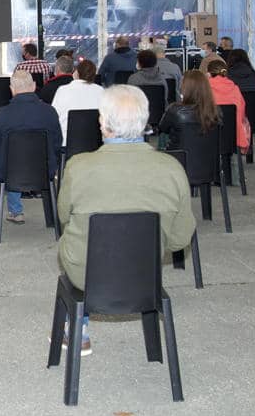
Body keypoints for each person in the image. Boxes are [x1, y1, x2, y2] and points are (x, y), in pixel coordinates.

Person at [56, 86, 196, 354]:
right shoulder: (172, 168)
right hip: (145, 272)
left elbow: (64, 217)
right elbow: (180, 237)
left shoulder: (79, 166)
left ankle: (78, 329)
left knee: (74, 243)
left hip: (86, 273)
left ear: (103, 123)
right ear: (145, 122)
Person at [0, 70, 62, 225]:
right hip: (44, 170)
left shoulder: (2, 114)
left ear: (12, 89)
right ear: (34, 86)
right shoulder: (50, 112)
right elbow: (57, 143)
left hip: (8, 172)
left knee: (7, 156)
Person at [158, 69, 220, 151]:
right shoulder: (215, 111)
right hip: (209, 157)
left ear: (184, 89)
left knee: (163, 135)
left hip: (178, 157)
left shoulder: (174, 110)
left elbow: (162, 128)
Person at [51, 58, 106, 142]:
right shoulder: (101, 91)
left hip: (65, 142)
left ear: (76, 72)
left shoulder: (63, 90)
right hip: (95, 143)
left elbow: (54, 116)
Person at [204, 58, 250, 153]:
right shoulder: (235, 89)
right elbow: (242, 113)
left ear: (208, 74)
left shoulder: (204, 90)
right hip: (233, 135)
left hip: (210, 135)